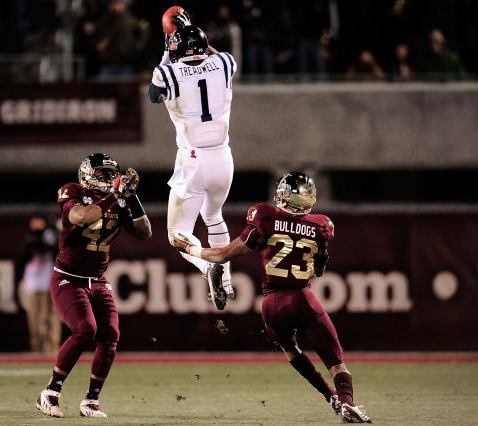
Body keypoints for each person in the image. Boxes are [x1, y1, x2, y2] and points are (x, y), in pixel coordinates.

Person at [171, 172, 372, 423]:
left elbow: (222, 255)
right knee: (337, 363)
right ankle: (347, 402)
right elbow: (318, 271)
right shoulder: (321, 225)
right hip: (301, 297)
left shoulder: (265, 217)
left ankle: (330, 398)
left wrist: (190, 248)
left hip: (271, 305)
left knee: (292, 352)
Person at [35, 153, 152, 418]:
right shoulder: (72, 191)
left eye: (112, 174)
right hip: (68, 276)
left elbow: (145, 233)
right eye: (103, 174)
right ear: (87, 175)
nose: (110, 179)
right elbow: (81, 217)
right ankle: (50, 392)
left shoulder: (118, 198)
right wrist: (114, 195)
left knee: (110, 334)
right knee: (85, 328)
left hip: (98, 279)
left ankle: (91, 401)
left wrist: (131, 196)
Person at [149, 13, 236, 311]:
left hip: (193, 160)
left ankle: (206, 265)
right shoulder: (224, 62)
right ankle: (226, 281)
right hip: (223, 159)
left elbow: (154, 93)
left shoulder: (168, 73)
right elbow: (207, 54)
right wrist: (191, 33)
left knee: (178, 234)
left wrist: (168, 44)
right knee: (214, 216)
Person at [22, 213, 61, 354]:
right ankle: (37, 348)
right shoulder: (31, 238)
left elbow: (54, 249)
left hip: (51, 280)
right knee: (35, 318)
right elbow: (25, 255)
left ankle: (51, 347)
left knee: (50, 316)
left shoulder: (52, 234)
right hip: (35, 283)